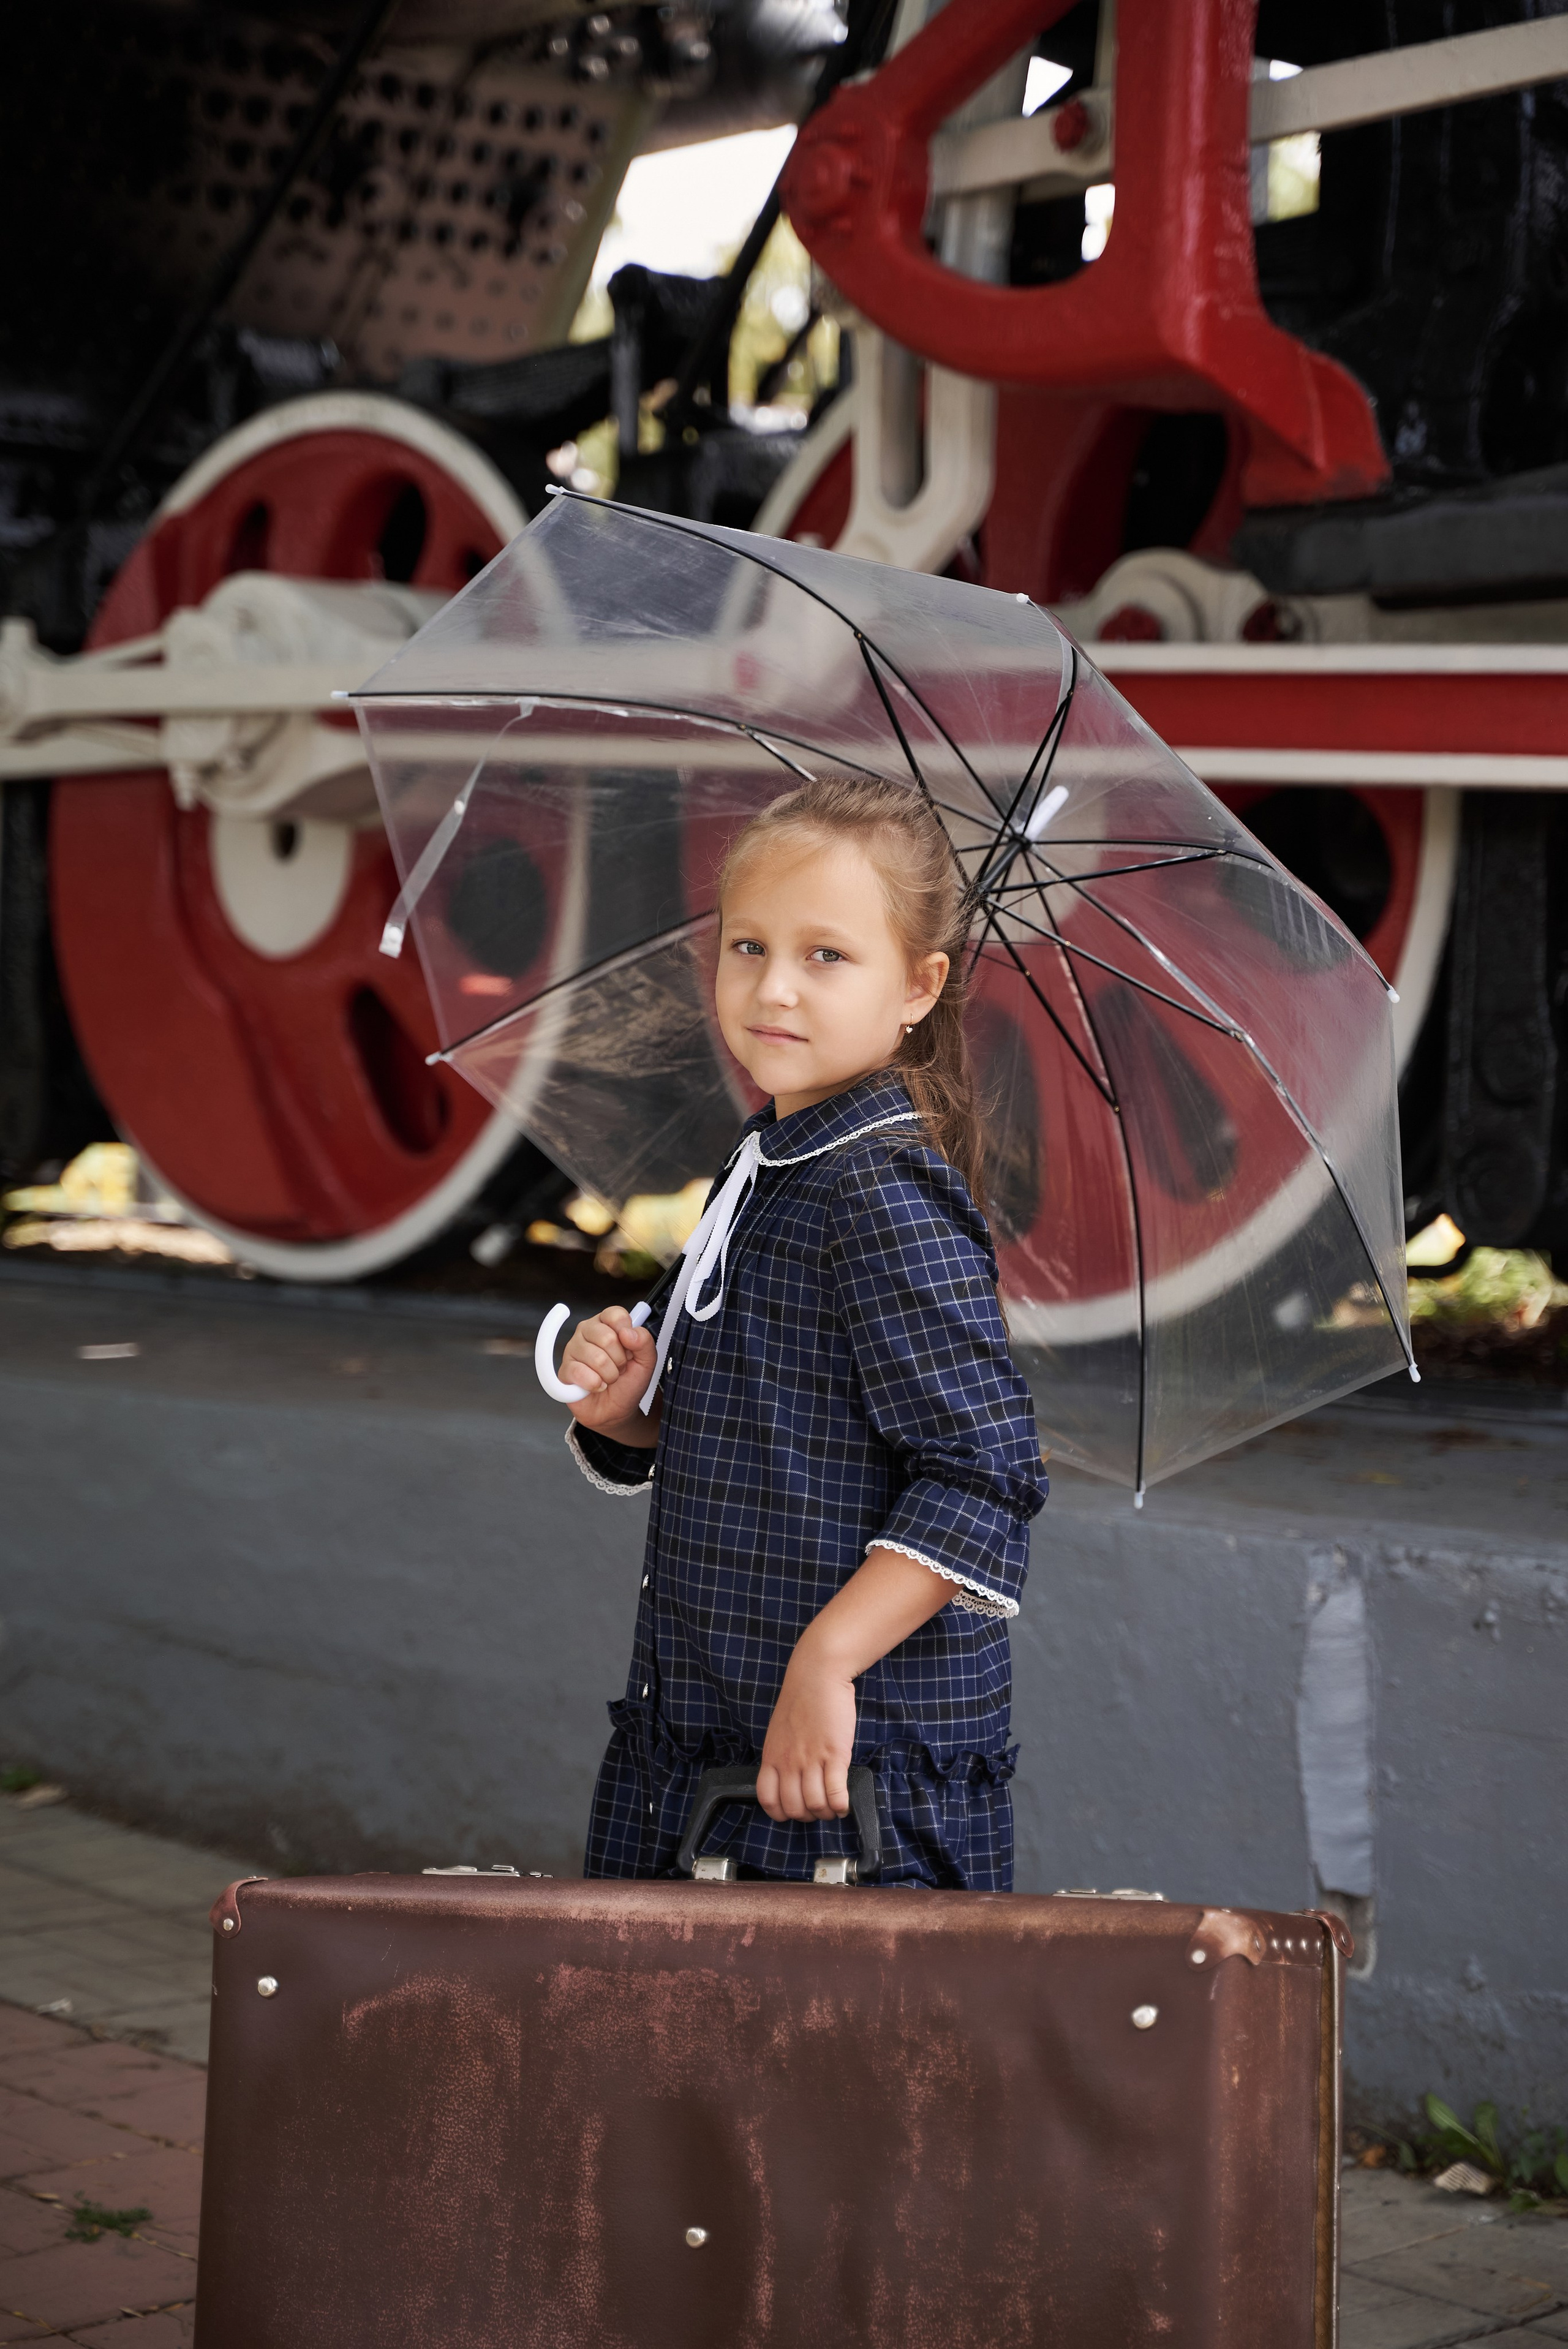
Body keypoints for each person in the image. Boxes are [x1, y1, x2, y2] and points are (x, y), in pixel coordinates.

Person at [560, 775, 1048, 1888]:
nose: (774, 988)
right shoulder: (769, 1158)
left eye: (827, 956)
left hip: (844, 1783)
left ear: (921, 987)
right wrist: (627, 1407)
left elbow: (984, 1474)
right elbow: (750, 1425)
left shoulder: (880, 1195)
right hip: (715, 1724)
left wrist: (827, 1664)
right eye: (747, 946)